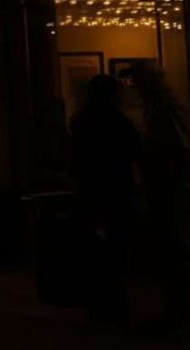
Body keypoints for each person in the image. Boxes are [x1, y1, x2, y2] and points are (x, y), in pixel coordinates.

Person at [131, 62, 190, 337]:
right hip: (167, 189)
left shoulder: (169, 108)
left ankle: (179, 315)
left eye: (137, 81)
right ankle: (175, 312)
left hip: (172, 191)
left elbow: (185, 151)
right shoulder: (159, 107)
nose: (134, 88)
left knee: (174, 251)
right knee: (169, 252)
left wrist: (167, 180)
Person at [69, 75, 139, 327]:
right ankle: (117, 307)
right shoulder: (121, 122)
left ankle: (96, 307)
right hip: (118, 189)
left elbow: (74, 156)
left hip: (90, 189)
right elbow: (135, 152)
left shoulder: (80, 121)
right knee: (117, 251)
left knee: (92, 251)